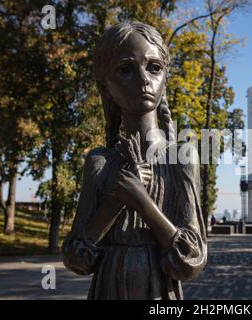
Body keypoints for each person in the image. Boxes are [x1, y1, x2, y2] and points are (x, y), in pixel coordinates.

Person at [62, 21, 207, 300]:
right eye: (126, 70)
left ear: (165, 79)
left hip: (159, 292)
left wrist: (140, 200)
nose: (143, 79)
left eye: (154, 68)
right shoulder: (99, 162)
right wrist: (115, 202)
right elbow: (76, 258)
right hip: (108, 289)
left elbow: (192, 260)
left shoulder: (182, 157)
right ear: (105, 88)